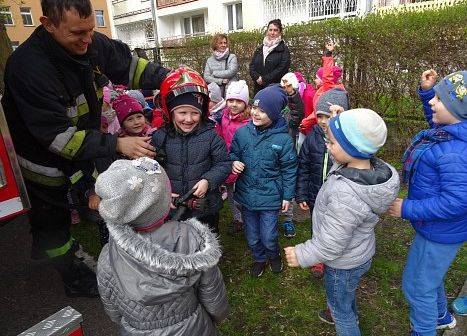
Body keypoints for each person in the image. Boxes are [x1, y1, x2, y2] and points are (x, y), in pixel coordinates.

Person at [1, 0, 168, 298]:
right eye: (78, 32)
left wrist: (169, 78)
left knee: (80, 195)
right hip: (42, 159)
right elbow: (58, 139)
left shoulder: (88, 41)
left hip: (79, 140)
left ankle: (49, 243)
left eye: (91, 29)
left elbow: (129, 66)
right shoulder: (28, 68)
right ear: (48, 23)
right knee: (52, 218)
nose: (88, 39)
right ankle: (73, 277)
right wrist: (116, 143)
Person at [285, 109, 400, 336]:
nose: (328, 145)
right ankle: (349, 311)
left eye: (333, 143)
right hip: (360, 252)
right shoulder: (371, 169)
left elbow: (331, 244)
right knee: (346, 298)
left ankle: (347, 322)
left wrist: (301, 254)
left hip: (342, 264)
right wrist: (339, 121)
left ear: (352, 149)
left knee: (340, 311)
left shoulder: (345, 193)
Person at [95, 157, 230, 335]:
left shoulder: (108, 254)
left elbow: (111, 304)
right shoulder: (191, 239)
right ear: (162, 205)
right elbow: (212, 293)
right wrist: (218, 317)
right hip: (191, 328)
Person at [387, 70, 467, 336]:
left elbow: (456, 202)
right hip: (439, 230)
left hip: (440, 233)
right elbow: (437, 119)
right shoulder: (449, 133)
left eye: (439, 99)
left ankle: (424, 331)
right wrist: (427, 91)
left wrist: (406, 208)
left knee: (417, 287)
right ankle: (442, 316)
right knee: (430, 277)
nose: (433, 102)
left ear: (457, 109)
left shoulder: (456, 152)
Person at [151, 67, 231, 234]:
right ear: (170, 112)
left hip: (205, 208)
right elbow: (151, 170)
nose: (188, 119)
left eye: (195, 113)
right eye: (182, 113)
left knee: (206, 245)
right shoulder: (160, 137)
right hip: (172, 208)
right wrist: (162, 193)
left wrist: (208, 180)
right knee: (176, 245)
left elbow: (223, 164)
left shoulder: (211, 136)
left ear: (202, 113)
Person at [230, 85, 297, 277]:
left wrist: (287, 196)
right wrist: (233, 162)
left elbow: (289, 169)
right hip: (247, 196)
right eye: (254, 108)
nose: (256, 113)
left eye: (263, 110)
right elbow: (232, 152)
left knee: (268, 236)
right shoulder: (242, 133)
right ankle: (259, 258)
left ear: (275, 113)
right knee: (252, 236)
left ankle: (273, 253)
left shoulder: (283, 140)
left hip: (270, 197)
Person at [295, 101, 347, 279]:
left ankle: (336, 257)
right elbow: (303, 167)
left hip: (339, 196)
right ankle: (319, 258)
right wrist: (301, 193)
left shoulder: (346, 140)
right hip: (315, 192)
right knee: (317, 225)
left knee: (336, 226)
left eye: (328, 116)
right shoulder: (312, 137)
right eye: (320, 116)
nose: (323, 121)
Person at [215, 80, 251, 235]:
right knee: (230, 193)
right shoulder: (223, 117)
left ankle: (248, 218)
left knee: (242, 195)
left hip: (244, 165)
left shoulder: (249, 121)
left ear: (245, 103)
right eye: (230, 100)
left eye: (238, 101)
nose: (234, 104)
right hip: (228, 161)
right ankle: (238, 219)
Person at [300, 42, 345, 136]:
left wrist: (328, 55)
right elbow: (317, 110)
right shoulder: (320, 90)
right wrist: (305, 123)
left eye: (317, 78)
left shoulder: (328, 89)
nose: (315, 80)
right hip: (320, 126)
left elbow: (328, 75)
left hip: (327, 130)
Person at [249, 19, 291, 95]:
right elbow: (252, 65)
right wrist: (257, 77)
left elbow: (282, 69)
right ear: (267, 31)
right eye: (270, 30)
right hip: (258, 88)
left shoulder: (283, 49)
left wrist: (264, 79)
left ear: (280, 32)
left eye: (275, 30)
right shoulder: (260, 48)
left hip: (275, 88)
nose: (272, 33)